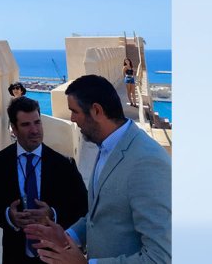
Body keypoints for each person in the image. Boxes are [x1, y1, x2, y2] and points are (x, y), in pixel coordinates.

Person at [25, 75, 170, 264]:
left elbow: (159, 257)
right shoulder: (107, 147)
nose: (72, 119)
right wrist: (68, 235)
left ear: (96, 110)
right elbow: (101, 215)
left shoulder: (146, 161)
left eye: (74, 111)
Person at [0, 96, 88, 264]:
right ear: (14, 129)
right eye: (26, 125)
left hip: (55, 257)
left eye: (37, 122)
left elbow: (82, 207)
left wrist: (52, 214)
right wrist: (9, 217)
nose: (34, 130)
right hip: (14, 257)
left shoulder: (64, 164)